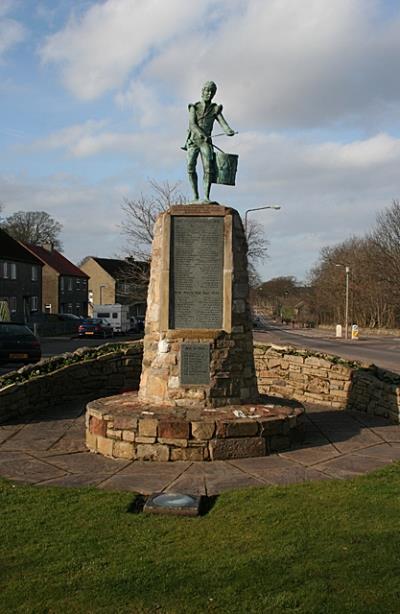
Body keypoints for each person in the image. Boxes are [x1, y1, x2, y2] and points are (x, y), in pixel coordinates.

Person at [183, 81, 235, 202]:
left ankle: (206, 197)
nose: (209, 93)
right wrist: (202, 134)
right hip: (193, 141)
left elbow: (223, 123)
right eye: (207, 90)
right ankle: (195, 197)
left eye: (211, 91)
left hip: (205, 143)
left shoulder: (214, 109)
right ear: (202, 92)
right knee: (190, 167)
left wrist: (228, 130)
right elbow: (192, 124)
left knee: (208, 168)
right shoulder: (194, 107)